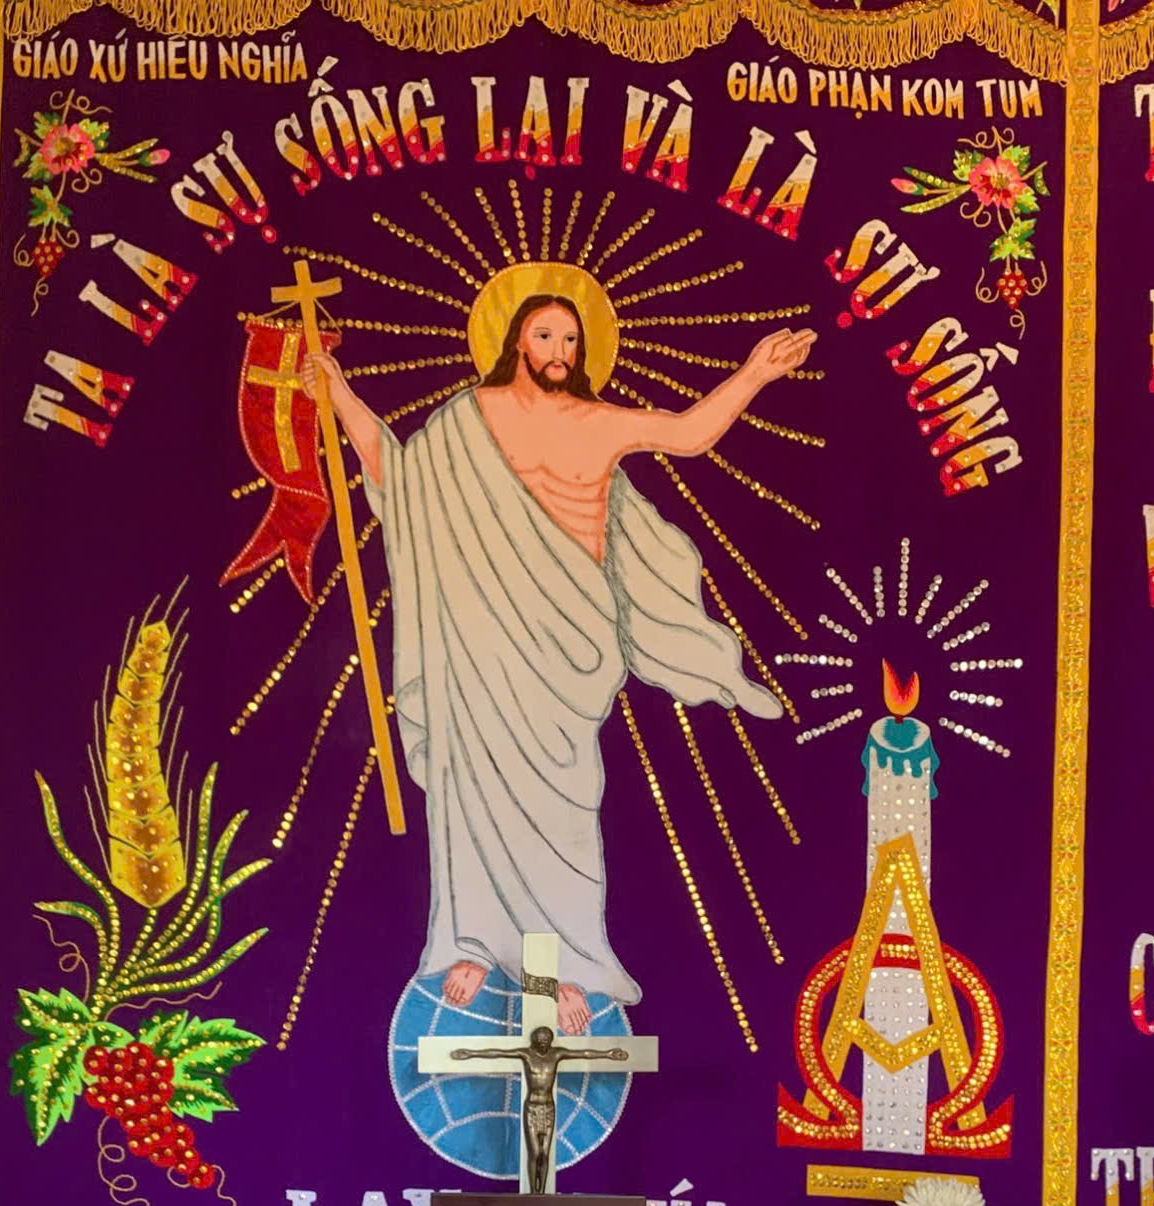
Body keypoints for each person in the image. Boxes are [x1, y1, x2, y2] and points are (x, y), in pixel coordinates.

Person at [302, 291, 811, 1034]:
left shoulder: (598, 422)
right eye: (545, 335)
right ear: (516, 339)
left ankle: (557, 965)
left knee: (561, 806)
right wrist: (341, 395)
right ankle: (474, 944)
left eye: (570, 339)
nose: (559, 351)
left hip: (569, 644)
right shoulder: (466, 420)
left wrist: (754, 374)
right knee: (474, 790)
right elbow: (401, 482)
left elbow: (688, 434)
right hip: (481, 639)